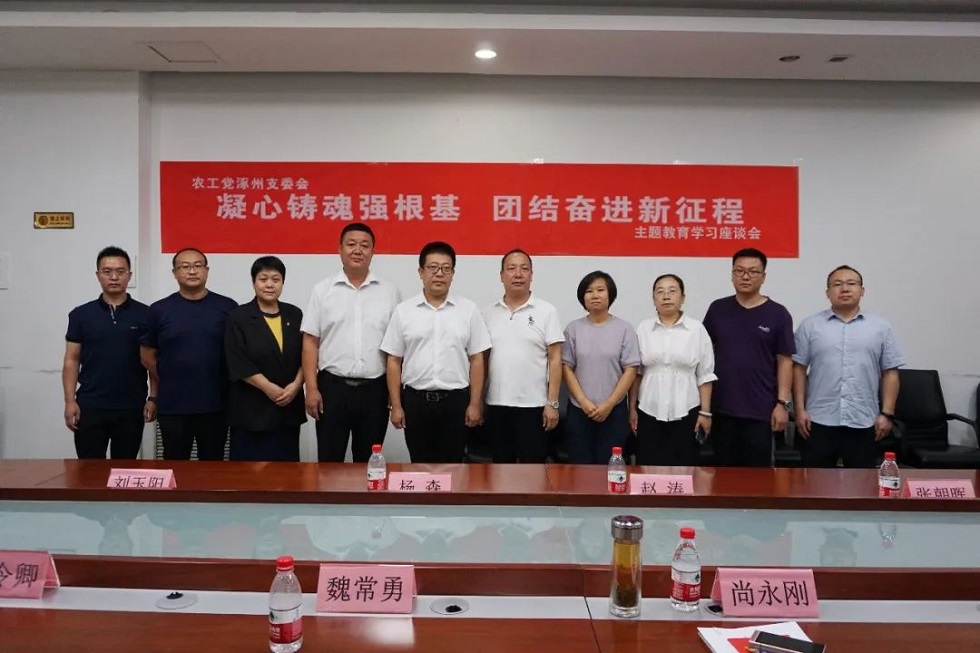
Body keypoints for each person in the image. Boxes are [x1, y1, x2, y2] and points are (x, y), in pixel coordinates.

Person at [381, 241, 491, 463]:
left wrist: (475, 402)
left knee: (453, 466)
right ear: (421, 272)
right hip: (415, 401)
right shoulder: (404, 311)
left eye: (446, 268)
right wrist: (396, 405)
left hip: (456, 401)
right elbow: (393, 360)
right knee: (419, 465)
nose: (439, 274)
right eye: (432, 267)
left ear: (453, 274)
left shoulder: (468, 310)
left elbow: (477, 359)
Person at [301, 223, 401, 463]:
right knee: (329, 461)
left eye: (365, 245)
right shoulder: (322, 290)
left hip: (375, 390)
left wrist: (394, 392)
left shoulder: (389, 292)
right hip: (332, 388)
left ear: (373, 252)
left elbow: (396, 348)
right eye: (351, 244)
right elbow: (310, 342)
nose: (358, 250)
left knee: (369, 463)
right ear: (340, 249)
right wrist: (311, 389)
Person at [792, 265, 905, 468]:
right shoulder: (810, 325)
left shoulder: (881, 327)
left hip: (864, 419)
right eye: (837, 284)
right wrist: (799, 410)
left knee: (862, 483)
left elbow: (890, 373)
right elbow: (798, 369)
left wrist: (887, 414)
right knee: (814, 482)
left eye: (851, 283)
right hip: (818, 420)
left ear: (862, 290)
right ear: (828, 293)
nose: (844, 289)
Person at [140, 247, 237, 460]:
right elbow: (146, 353)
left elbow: (237, 353)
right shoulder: (159, 310)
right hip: (173, 404)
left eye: (197, 266)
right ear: (174, 273)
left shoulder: (227, 307)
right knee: (175, 464)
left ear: (207, 270)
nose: (192, 271)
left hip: (216, 404)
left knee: (213, 464)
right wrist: (169, 375)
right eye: (185, 267)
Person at [703, 248, 794, 467]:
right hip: (722, 408)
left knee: (759, 477)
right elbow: (703, 354)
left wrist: (782, 404)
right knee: (723, 474)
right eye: (740, 271)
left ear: (764, 276)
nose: (746, 276)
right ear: (732, 274)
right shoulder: (718, 309)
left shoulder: (778, 314)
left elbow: (785, 361)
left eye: (753, 271)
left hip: (761, 410)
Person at [62, 246, 154, 459]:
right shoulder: (81, 315)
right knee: (89, 470)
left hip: (131, 405)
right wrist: (69, 401)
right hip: (90, 405)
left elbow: (152, 360)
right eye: (107, 271)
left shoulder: (146, 315)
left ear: (129, 275)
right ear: (98, 275)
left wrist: (153, 397)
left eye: (120, 271)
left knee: (125, 468)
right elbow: (71, 359)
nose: (114, 277)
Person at [482, 249, 564, 463]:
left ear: (531, 275)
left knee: (533, 471)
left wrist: (552, 403)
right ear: (502, 276)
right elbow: (482, 360)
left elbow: (555, 359)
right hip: (496, 404)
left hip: (534, 406)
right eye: (511, 269)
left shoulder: (546, 311)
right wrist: (477, 400)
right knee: (500, 470)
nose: (518, 274)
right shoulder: (488, 312)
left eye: (524, 269)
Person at [628, 274, 716, 466]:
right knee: (648, 466)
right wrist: (632, 409)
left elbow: (705, 375)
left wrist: (705, 413)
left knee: (685, 468)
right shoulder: (643, 329)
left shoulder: (696, 330)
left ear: (683, 297)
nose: (666, 296)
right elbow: (636, 374)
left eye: (672, 291)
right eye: (660, 292)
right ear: (654, 300)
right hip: (648, 409)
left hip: (687, 408)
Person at [225, 256, 306, 462]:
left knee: (286, 471)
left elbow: (306, 355)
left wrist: (296, 385)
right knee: (248, 473)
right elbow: (237, 359)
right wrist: (267, 387)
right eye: (263, 279)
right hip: (251, 409)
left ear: (283, 282)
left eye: (276, 279)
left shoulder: (295, 314)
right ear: (253, 282)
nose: (269, 284)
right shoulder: (239, 316)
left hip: (288, 407)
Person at [561, 270, 640, 464]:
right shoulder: (573, 329)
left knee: (609, 468)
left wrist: (609, 404)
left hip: (614, 411)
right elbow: (566, 368)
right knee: (580, 469)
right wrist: (583, 401)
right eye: (589, 291)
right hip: (579, 410)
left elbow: (630, 370)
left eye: (600, 290)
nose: (594, 295)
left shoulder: (625, 329)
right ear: (582, 297)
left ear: (610, 294)